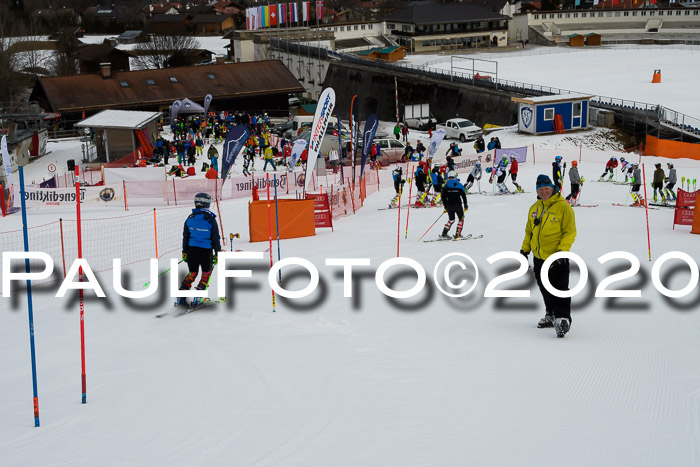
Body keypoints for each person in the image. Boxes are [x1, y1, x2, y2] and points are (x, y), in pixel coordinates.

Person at [520, 175, 577, 338]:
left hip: (558, 256)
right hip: (539, 256)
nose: (544, 192)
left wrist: (562, 251)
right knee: (544, 288)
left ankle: (562, 319)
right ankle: (550, 314)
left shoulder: (564, 208)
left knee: (560, 288)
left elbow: (570, 232)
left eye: (546, 189)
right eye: (540, 189)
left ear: (553, 189)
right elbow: (529, 232)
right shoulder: (534, 208)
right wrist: (524, 251)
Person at [177, 193, 222, 307]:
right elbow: (215, 238)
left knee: (192, 273)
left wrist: (184, 251)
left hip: (192, 251)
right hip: (205, 251)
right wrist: (218, 253)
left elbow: (186, 237)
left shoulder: (190, 218)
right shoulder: (210, 219)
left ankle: (181, 298)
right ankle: (198, 297)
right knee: (206, 274)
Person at [440, 170, 468, 239]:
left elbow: (443, 197)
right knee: (461, 219)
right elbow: (464, 196)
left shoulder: (446, 186)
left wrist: (445, 206)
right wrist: (465, 205)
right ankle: (458, 234)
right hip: (458, 205)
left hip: (449, 205)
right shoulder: (459, 185)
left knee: (451, 220)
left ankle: (444, 234)